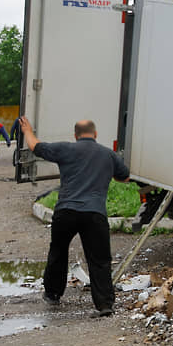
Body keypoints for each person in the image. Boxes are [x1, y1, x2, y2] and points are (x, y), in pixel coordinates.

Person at [19, 116, 130, 318]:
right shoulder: (108, 154)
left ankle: (52, 294)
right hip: (94, 213)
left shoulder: (65, 148)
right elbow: (125, 177)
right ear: (95, 135)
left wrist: (27, 130)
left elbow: (35, 147)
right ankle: (104, 304)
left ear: (75, 135)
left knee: (58, 252)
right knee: (99, 259)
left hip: (66, 212)